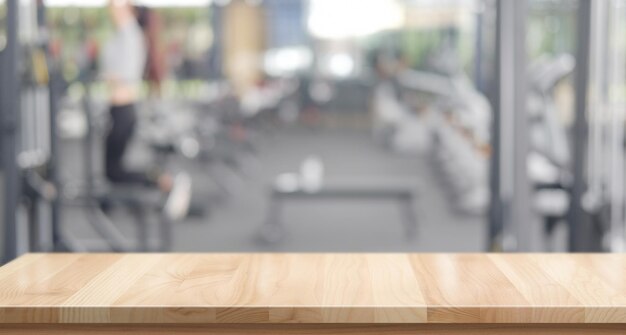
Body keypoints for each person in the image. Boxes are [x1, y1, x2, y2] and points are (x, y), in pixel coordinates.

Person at [102, 0, 171, 191]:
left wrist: (109, 77)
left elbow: (125, 75)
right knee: (112, 170)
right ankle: (158, 181)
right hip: (120, 108)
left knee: (113, 171)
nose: (110, 7)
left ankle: (160, 181)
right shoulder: (125, 34)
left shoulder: (129, 35)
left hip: (123, 109)